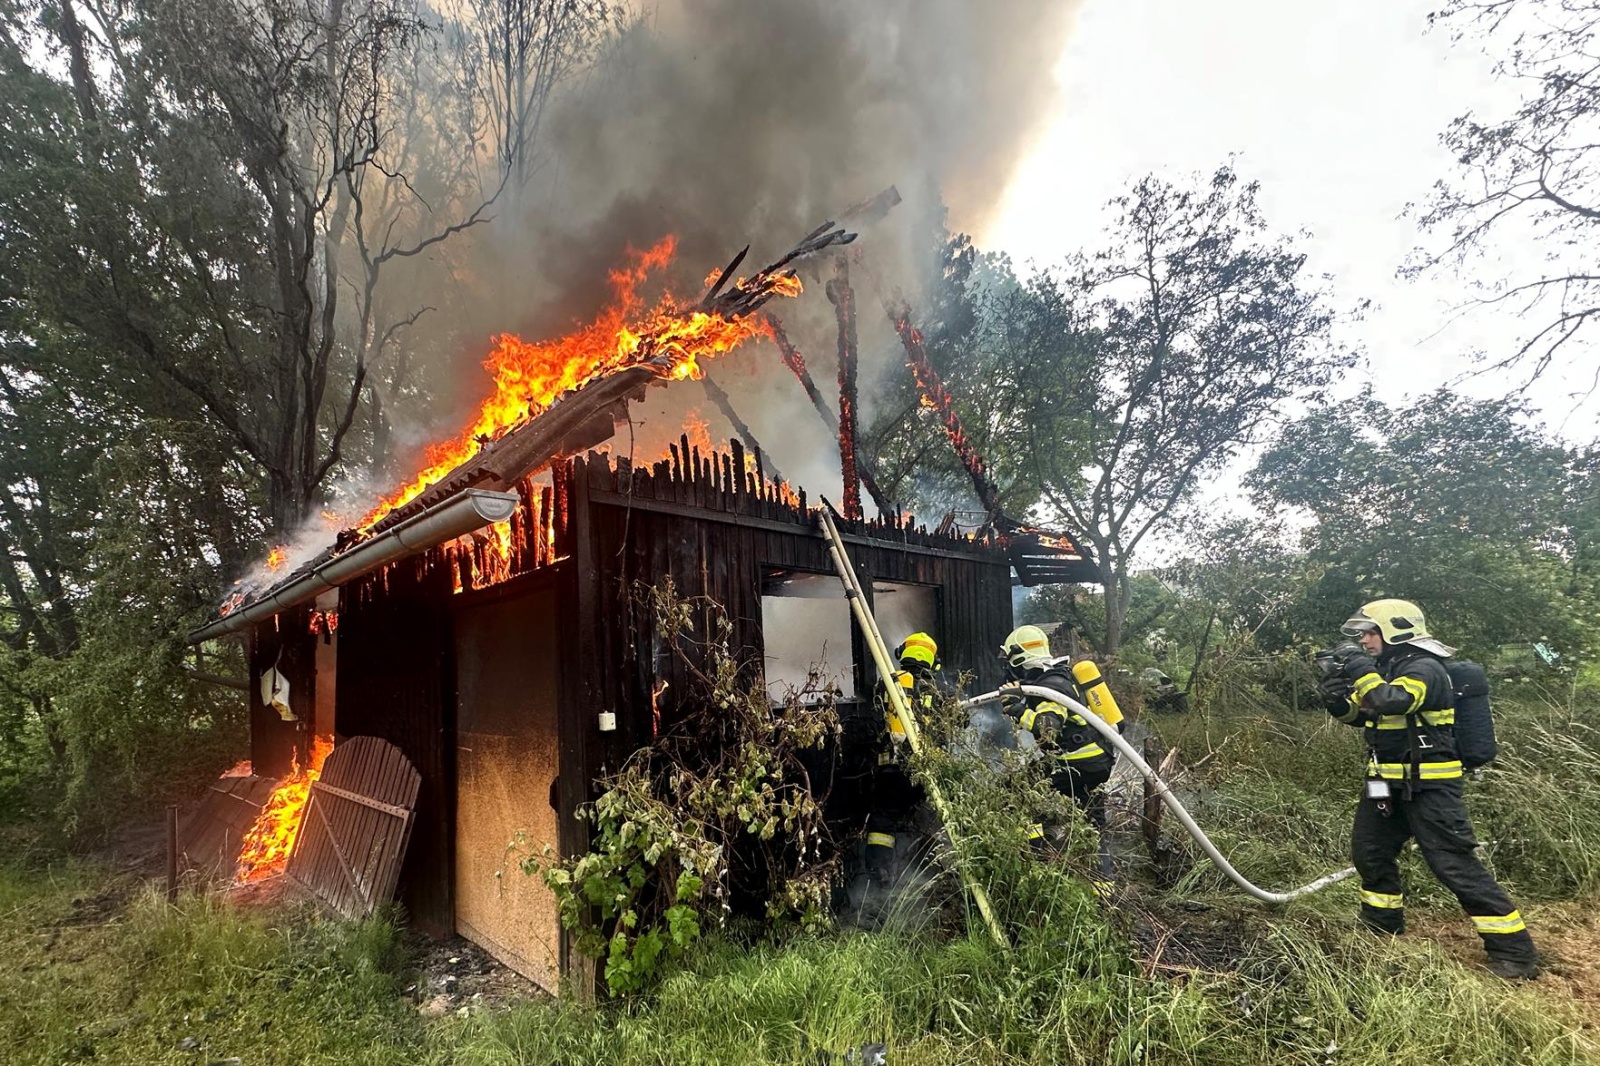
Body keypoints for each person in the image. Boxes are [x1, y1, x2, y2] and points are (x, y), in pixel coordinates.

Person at [1320, 598, 1540, 980]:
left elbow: (1392, 701)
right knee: (1370, 852)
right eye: (1362, 636)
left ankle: (1514, 953)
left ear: (1395, 630)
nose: (1364, 641)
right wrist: (1335, 698)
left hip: (1430, 787)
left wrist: (1357, 666)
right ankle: (1381, 924)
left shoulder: (1425, 668)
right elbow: (1363, 714)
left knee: (1453, 864)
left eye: (1370, 633)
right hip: (1384, 784)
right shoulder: (1386, 670)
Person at [999, 624, 1123, 883]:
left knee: (1017, 790)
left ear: (1020, 658)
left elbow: (1048, 729)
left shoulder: (1050, 687)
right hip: (1096, 760)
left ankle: (1035, 862)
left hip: (1075, 762)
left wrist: (1017, 710)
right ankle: (1104, 885)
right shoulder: (1059, 677)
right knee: (1093, 823)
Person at [863, 632, 942, 885]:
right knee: (935, 817)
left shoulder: (888, 682)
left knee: (883, 820)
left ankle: (880, 874)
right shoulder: (939, 689)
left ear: (902, 654)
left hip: (892, 769)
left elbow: (875, 717)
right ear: (932, 661)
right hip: (927, 770)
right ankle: (936, 871)